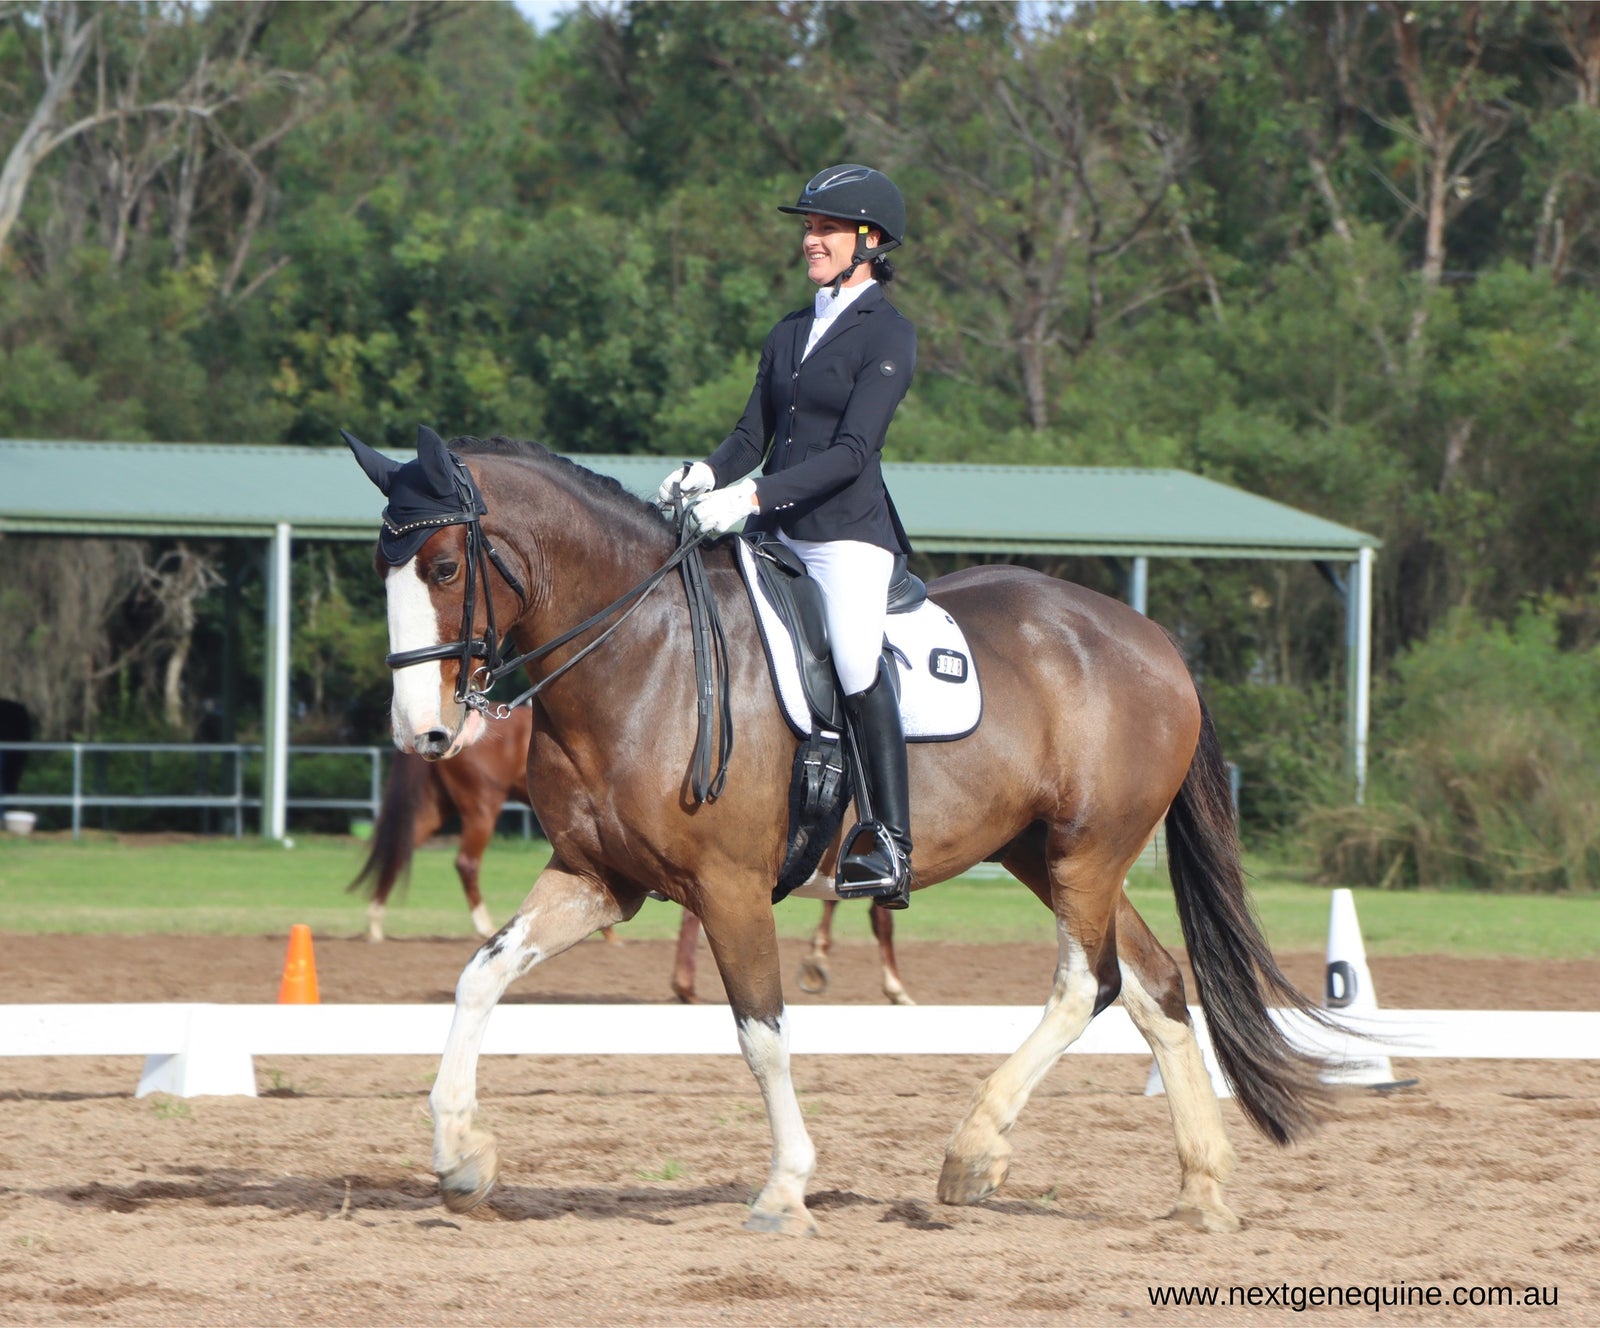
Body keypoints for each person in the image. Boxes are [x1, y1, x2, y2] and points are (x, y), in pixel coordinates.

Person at [656, 163, 917, 909]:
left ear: (868, 240)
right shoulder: (792, 330)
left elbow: (852, 454)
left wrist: (753, 495)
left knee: (856, 658)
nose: (810, 239)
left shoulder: (889, 333)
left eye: (825, 228)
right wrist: (704, 474)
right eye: (808, 227)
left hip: (845, 539)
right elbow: (751, 434)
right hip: (774, 532)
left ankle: (888, 841)